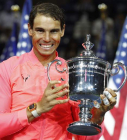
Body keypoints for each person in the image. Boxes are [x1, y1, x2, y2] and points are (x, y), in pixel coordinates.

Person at [0, 3, 117, 140]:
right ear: (30, 30)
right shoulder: (7, 68)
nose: (47, 38)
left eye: (54, 31)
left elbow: (84, 136)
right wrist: (37, 109)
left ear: (62, 31)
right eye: (40, 30)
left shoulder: (71, 72)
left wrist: (99, 114)